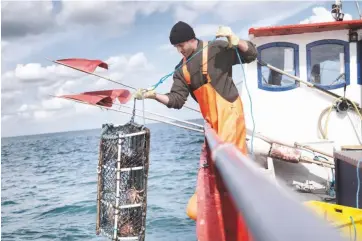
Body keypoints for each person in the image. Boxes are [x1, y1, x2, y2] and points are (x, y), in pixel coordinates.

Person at [134, 21, 257, 241]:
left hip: (230, 114)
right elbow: (176, 101)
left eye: (181, 44)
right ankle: (223, 206)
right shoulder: (181, 70)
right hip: (211, 123)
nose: (179, 49)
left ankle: (240, 210)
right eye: (176, 46)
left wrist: (236, 41)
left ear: (192, 38)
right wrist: (154, 96)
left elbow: (251, 54)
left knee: (230, 162)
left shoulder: (218, 48)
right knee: (218, 166)